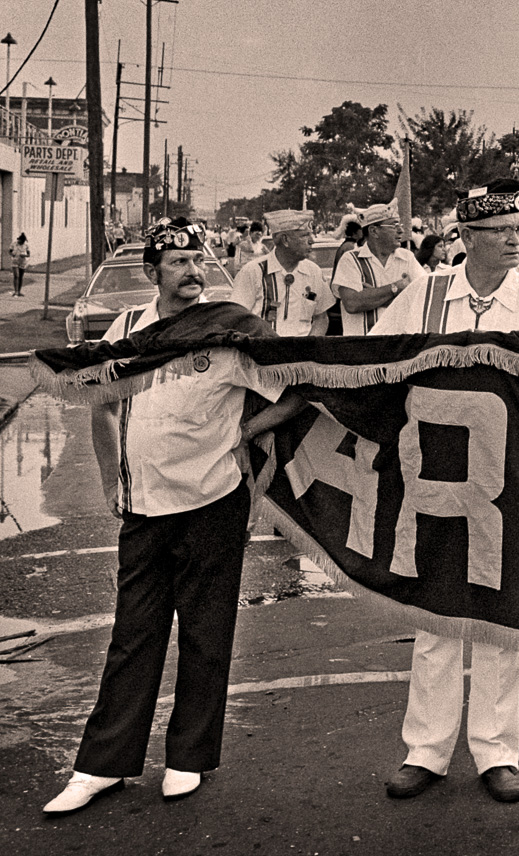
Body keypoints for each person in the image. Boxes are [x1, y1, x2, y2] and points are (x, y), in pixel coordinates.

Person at [43, 219, 305, 815]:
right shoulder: (128, 327)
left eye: (198, 261)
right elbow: (99, 401)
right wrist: (112, 480)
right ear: (152, 271)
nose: (192, 271)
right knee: (133, 636)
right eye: (178, 262)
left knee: (207, 636)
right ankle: (100, 767)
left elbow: (295, 387)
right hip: (144, 508)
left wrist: (247, 432)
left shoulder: (228, 329)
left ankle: (189, 757)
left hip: (214, 500)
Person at [371, 179, 519, 805]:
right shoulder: (425, 296)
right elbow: (372, 363)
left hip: (508, 475)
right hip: (432, 473)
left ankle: (496, 751)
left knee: (495, 611)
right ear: (468, 237)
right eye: (504, 231)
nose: (518, 240)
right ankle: (425, 752)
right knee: (436, 612)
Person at [227, 209, 335, 337]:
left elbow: (321, 318)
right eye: (304, 235)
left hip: (302, 356)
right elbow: (237, 319)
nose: (312, 240)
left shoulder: (314, 272)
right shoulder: (253, 272)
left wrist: (308, 348)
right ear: (285, 240)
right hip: (263, 354)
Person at [331, 203, 425, 335]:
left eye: (400, 226)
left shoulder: (407, 258)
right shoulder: (351, 260)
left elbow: (423, 298)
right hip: (363, 346)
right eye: (394, 226)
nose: (401, 231)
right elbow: (352, 303)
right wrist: (397, 288)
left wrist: (370, 296)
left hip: (400, 345)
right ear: (374, 231)